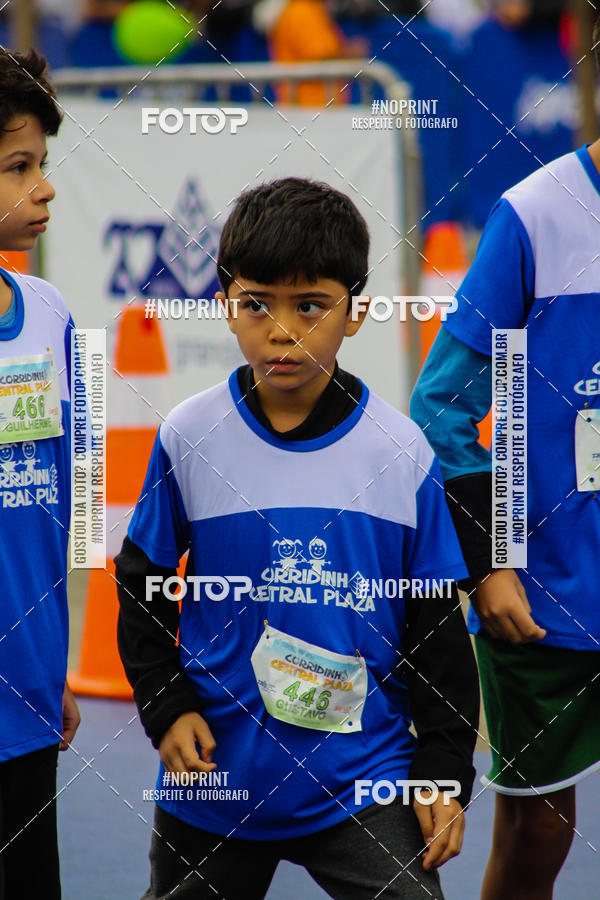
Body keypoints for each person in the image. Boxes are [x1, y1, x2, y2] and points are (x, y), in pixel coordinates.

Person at [116, 177, 479, 900]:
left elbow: (436, 628)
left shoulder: (399, 452)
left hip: (361, 781)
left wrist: (443, 771)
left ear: (355, 313)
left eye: (310, 305)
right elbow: (142, 585)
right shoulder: (191, 435)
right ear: (225, 306)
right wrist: (167, 705)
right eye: (256, 304)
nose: (281, 331)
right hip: (215, 777)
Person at [410, 16, 600, 898]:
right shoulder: (535, 215)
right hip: (546, 593)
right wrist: (489, 565)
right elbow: (442, 408)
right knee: (537, 831)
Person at [0, 48, 80, 899]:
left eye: (43, 166)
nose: (44, 188)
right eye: (18, 168)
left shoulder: (50, 317)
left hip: (26, 694)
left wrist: (50, 668)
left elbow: (60, 499)